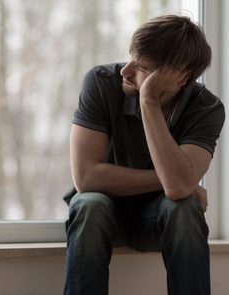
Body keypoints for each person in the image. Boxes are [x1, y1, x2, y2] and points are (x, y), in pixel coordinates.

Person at [63, 15, 225, 295]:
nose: (125, 71)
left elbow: (177, 191)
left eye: (141, 68)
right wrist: (174, 181)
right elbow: (86, 178)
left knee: (184, 207)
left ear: (179, 77)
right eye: (130, 58)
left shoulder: (207, 109)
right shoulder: (101, 83)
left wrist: (148, 100)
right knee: (89, 204)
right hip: (104, 216)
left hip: (160, 220)